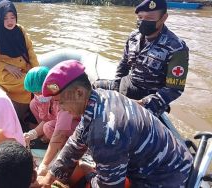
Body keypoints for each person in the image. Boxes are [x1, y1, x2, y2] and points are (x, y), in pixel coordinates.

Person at [37, 60, 193, 187]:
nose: (61, 108)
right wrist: (50, 176)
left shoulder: (104, 132)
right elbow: (75, 141)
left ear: (79, 92)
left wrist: (88, 172)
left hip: (165, 179)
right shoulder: (101, 96)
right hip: (167, 163)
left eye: (61, 102)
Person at [93, 0, 189, 117]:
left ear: (164, 18)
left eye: (149, 18)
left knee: (124, 123)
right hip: (127, 84)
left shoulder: (177, 48)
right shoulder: (134, 37)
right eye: (140, 17)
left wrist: (144, 104)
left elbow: (174, 89)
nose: (143, 22)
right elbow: (124, 64)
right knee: (92, 88)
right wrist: (117, 86)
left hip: (149, 97)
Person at [0, 0, 39, 131]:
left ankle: (29, 117)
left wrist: (36, 70)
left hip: (24, 68)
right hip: (5, 73)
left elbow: (30, 50)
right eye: (5, 18)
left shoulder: (20, 30)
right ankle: (22, 118)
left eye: (12, 17)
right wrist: (7, 66)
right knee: (28, 82)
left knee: (37, 79)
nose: (9, 21)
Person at [23, 66, 80, 176]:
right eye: (34, 93)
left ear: (49, 86)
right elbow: (45, 119)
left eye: (39, 92)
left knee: (49, 128)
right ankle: (52, 144)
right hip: (55, 124)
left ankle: (65, 149)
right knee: (37, 111)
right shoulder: (39, 100)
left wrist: (44, 164)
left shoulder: (64, 100)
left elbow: (59, 133)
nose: (38, 95)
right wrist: (32, 134)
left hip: (74, 125)